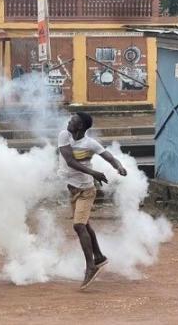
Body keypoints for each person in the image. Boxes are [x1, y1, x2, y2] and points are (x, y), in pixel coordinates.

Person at [58, 112, 127, 290]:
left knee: (79, 225)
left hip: (86, 191)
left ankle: (91, 266)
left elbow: (109, 157)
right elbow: (69, 160)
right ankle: (99, 257)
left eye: (73, 120)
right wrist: (94, 173)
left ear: (80, 126)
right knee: (86, 225)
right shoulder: (64, 135)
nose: (69, 121)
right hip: (72, 189)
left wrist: (119, 166)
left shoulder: (90, 144)